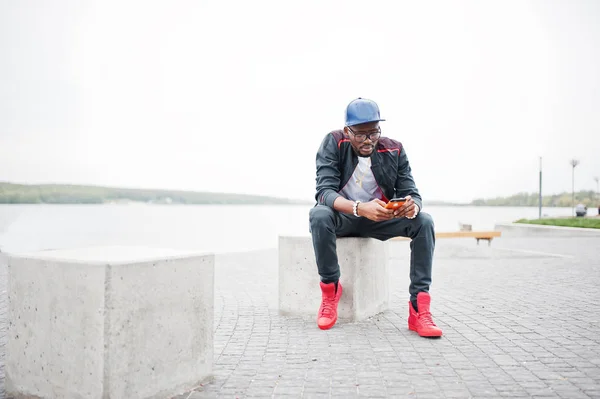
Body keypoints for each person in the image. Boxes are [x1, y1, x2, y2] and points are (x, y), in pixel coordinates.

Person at [309, 97, 442, 337]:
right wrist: (360, 208)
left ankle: (418, 309)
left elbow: (412, 193)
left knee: (425, 221)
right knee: (318, 215)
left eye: (374, 132)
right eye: (361, 134)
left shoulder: (395, 149)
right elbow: (324, 193)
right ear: (347, 131)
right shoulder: (333, 142)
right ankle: (330, 291)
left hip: (380, 219)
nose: (368, 140)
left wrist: (413, 207)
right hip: (344, 217)